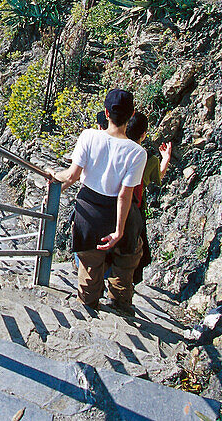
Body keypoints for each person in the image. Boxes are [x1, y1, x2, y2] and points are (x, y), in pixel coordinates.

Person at [54, 89, 147, 315]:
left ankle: (88, 306)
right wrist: (118, 231)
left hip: (89, 213)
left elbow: (72, 175)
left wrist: (53, 181)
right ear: (131, 114)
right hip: (120, 216)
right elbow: (125, 194)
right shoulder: (138, 152)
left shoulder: (89, 136)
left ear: (106, 113)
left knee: (89, 267)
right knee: (124, 267)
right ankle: (121, 306)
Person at [124, 113, 172, 285]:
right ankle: (128, 288)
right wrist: (165, 158)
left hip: (109, 203)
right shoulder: (148, 159)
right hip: (135, 209)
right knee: (139, 250)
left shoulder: (118, 149)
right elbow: (159, 176)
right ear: (144, 134)